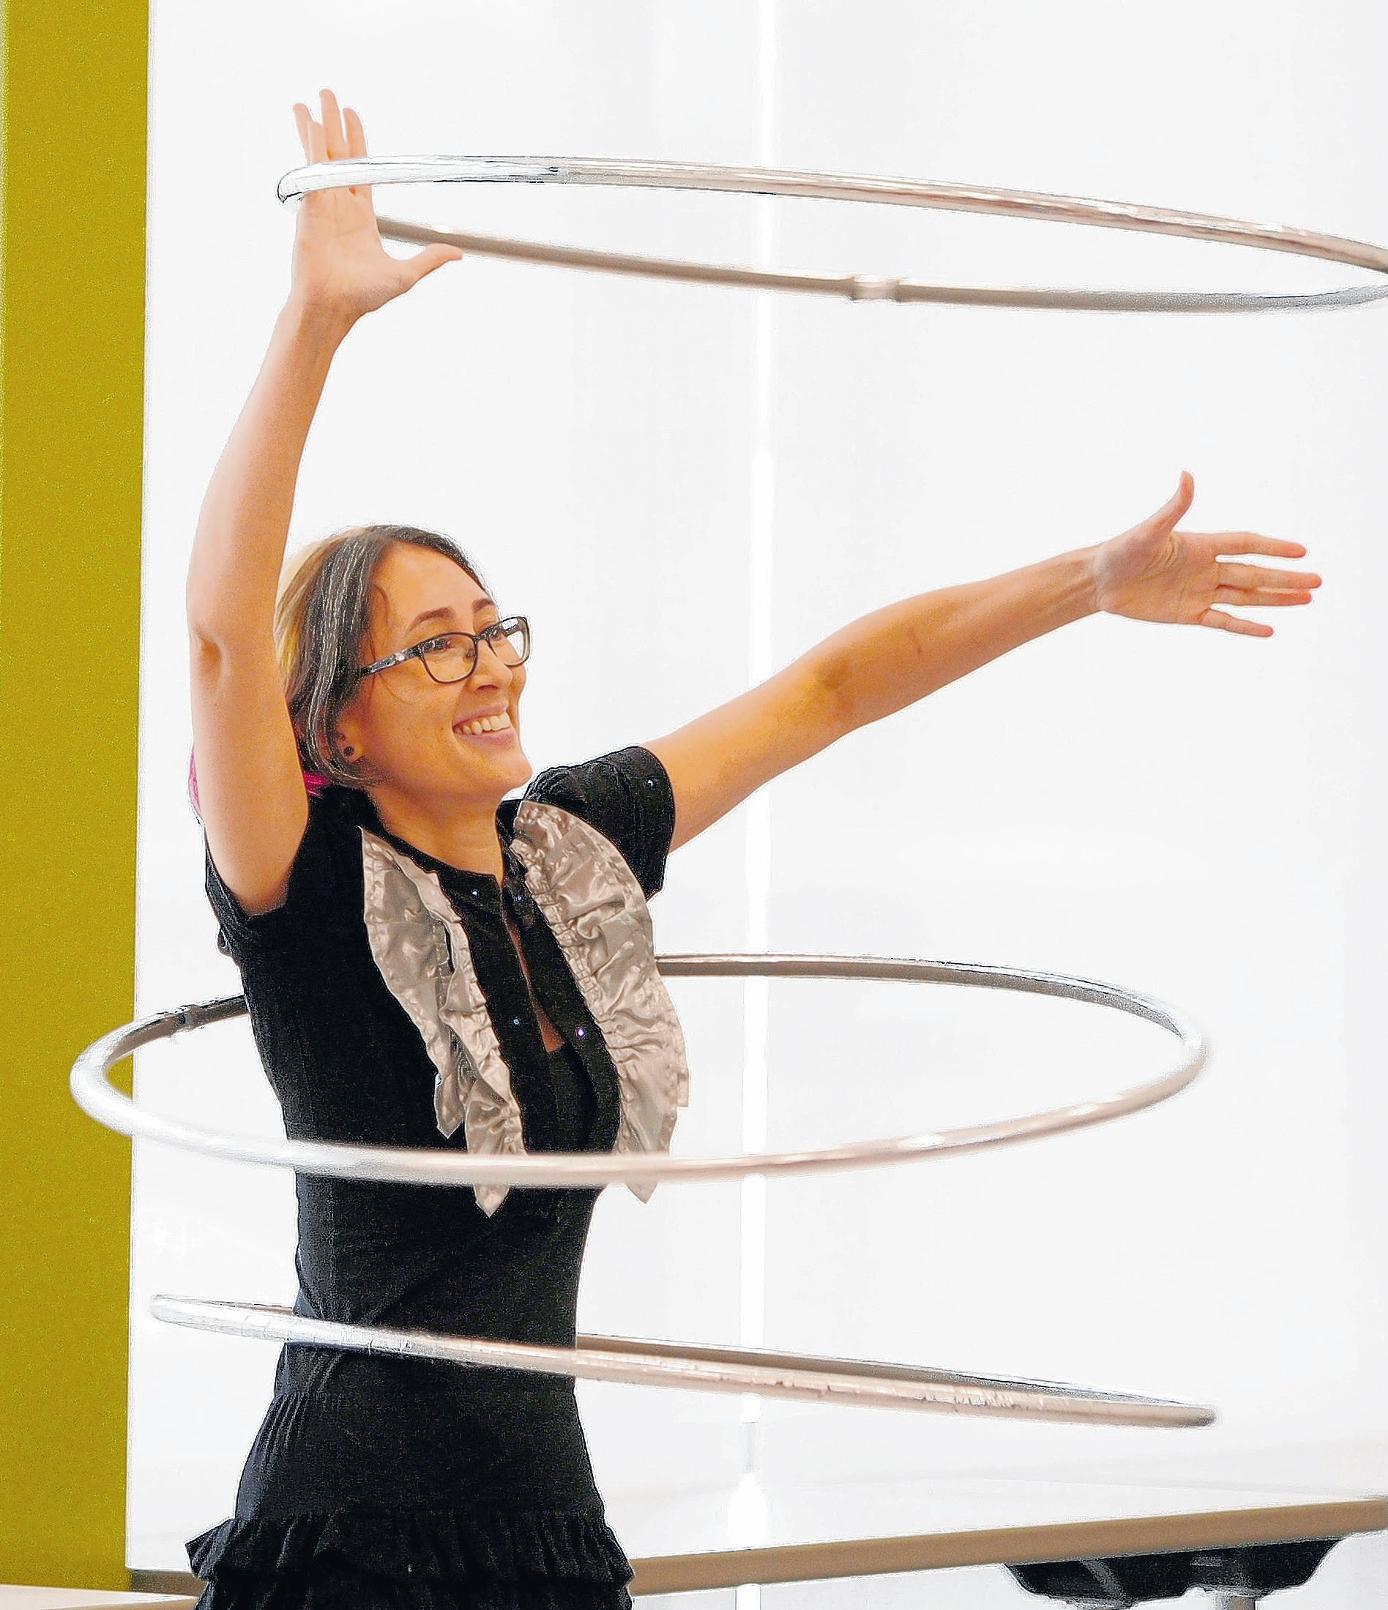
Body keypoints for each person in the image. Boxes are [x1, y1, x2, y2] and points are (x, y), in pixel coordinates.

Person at [182, 87, 1322, 1610]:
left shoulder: (573, 846)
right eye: (435, 645)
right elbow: (219, 641)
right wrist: (316, 324)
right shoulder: (311, 892)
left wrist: (1090, 582)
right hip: (346, 1550)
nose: (490, 665)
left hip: (548, 1540)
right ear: (337, 721)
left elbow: (831, 688)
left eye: (495, 629)